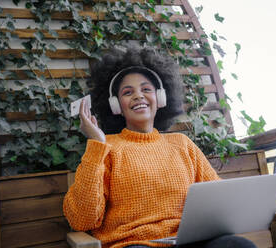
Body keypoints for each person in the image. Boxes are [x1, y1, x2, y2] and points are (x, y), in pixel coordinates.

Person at [63, 48, 256, 248]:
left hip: (187, 241)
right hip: (134, 244)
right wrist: (96, 144)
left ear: (161, 98)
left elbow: (220, 199)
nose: (138, 96)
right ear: (115, 105)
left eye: (146, 89)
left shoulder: (182, 144)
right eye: (128, 92)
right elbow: (82, 220)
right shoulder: (105, 148)